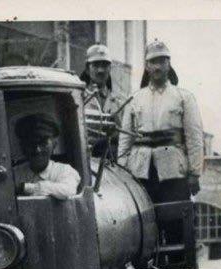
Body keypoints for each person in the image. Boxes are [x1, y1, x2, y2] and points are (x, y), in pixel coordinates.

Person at [117, 39, 204, 203]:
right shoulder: (135, 99)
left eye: (162, 61)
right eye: (152, 62)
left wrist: (195, 173)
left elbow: (194, 138)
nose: (157, 66)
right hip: (140, 172)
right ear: (147, 66)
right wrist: (123, 168)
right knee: (144, 222)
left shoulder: (184, 97)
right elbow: (125, 138)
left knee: (175, 222)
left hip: (174, 173)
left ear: (169, 64)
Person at [14, 114, 80, 200]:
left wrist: (25, 188)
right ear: (22, 147)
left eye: (43, 144)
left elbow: (69, 190)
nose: (37, 150)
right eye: (31, 144)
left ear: (54, 145)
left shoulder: (65, 171)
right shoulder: (14, 174)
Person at [81, 43, 126, 154]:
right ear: (87, 69)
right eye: (96, 65)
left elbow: (126, 136)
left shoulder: (119, 101)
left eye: (105, 65)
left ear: (110, 68)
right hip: (86, 158)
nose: (100, 70)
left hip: (112, 161)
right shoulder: (79, 98)